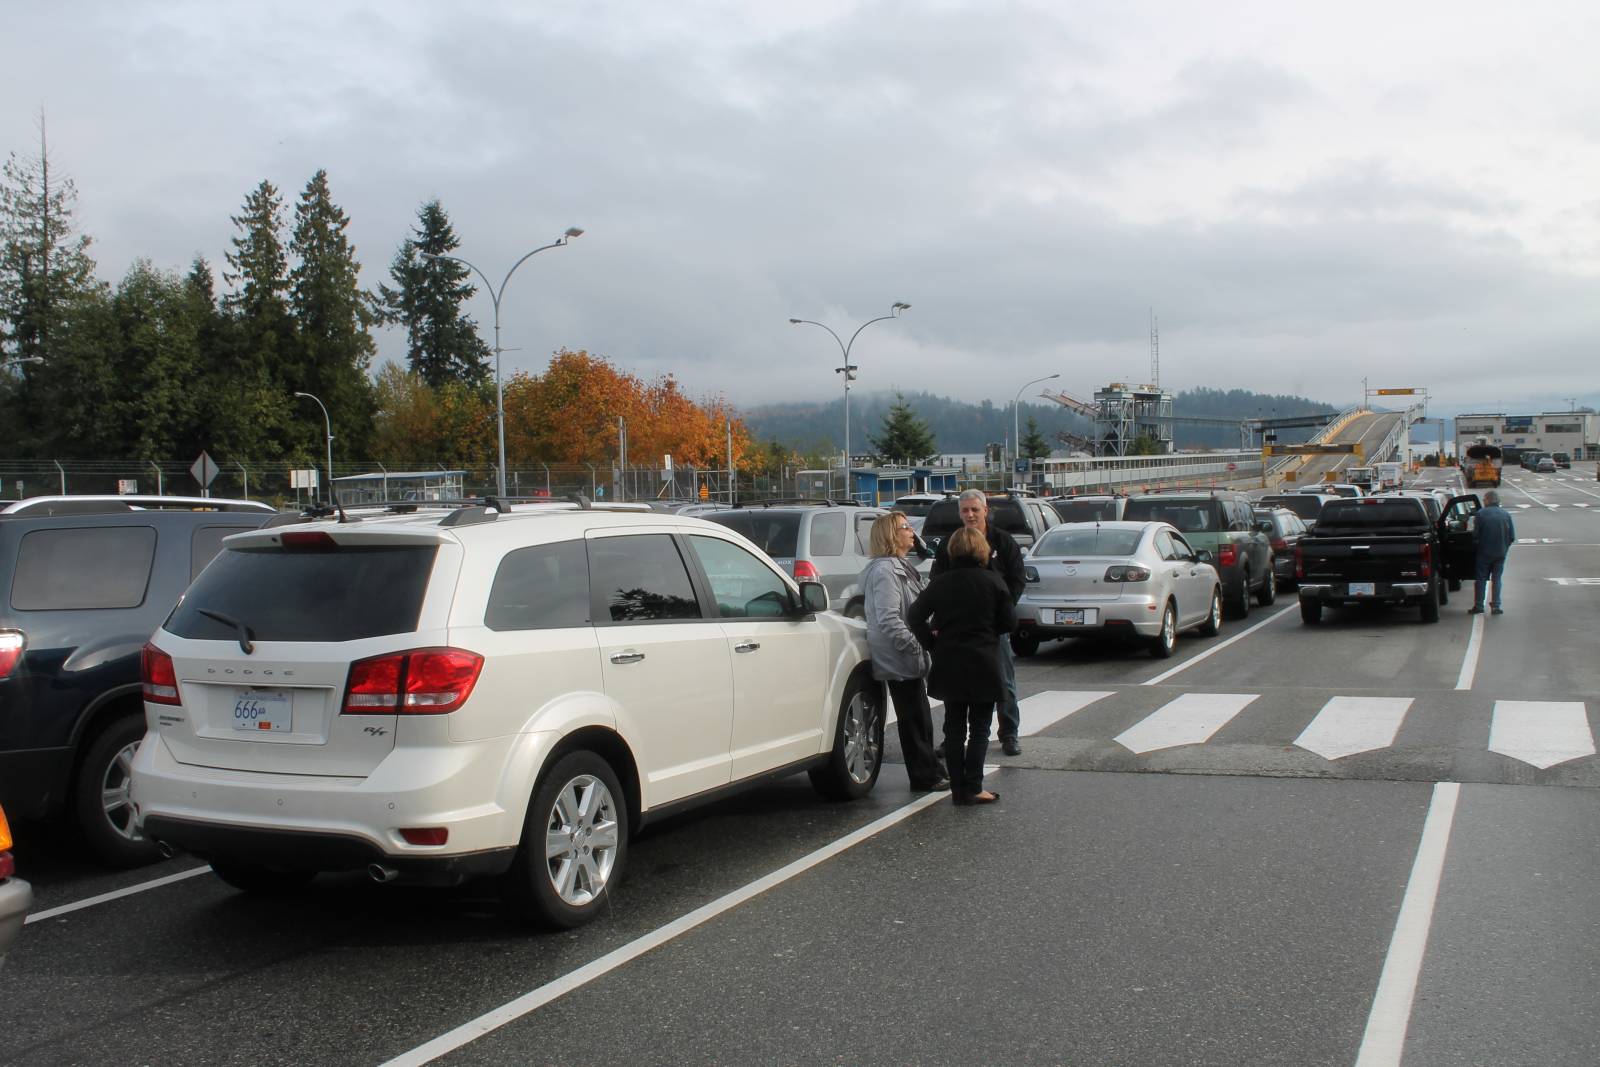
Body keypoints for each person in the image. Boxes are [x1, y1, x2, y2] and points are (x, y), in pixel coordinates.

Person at [909, 526, 1016, 805]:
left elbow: (915, 616)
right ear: (982, 550)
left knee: (953, 729)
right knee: (980, 728)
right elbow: (1009, 622)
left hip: (949, 660)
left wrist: (932, 643)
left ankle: (957, 790)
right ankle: (974, 786)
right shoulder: (993, 581)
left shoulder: (941, 583)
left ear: (952, 550)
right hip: (984, 661)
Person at [930, 489, 1026, 754]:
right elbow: (938, 581)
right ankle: (952, 738)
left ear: (986, 511)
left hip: (995, 627)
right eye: (965, 510)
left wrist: (1002, 614)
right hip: (958, 628)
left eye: (975, 509)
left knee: (1004, 680)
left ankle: (1009, 733)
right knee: (958, 685)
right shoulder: (951, 542)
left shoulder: (1003, 541)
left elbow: (1017, 580)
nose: (970, 515)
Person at [861, 511, 946, 792]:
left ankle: (931, 769)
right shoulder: (885, 570)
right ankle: (924, 775)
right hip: (899, 654)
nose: (912, 532)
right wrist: (914, 643)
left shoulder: (899, 564)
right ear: (890, 535)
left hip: (908, 653)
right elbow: (887, 617)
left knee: (920, 714)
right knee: (912, 718)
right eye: (905, 527)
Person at [1470, 489, 1516, 615]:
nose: (1483, 501)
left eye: (1484, 499)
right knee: (1497, 579)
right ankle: (1496, 605)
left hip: (1484, 552)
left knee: (1481, 579)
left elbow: (1475, 535)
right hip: (1500, 553)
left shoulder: (1480, 514)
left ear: (1488, 500)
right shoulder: (1506, 515)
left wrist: (1476, 545)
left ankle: (1479, 605)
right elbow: (1511, 536)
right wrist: (1504, 548)